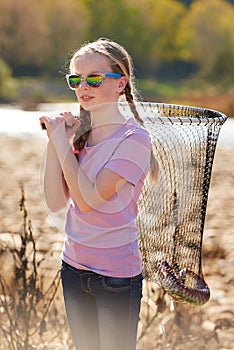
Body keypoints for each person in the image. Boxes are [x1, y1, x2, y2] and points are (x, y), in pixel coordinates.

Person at [40, 37, 158, 350]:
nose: (83, 86)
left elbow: (89, 200)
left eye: (94, 78)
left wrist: (61, 142)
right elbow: (54, 201)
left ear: (121, 84)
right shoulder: (79, 136)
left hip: (116, 277)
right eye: (76, 78)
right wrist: (58, 142)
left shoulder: (135, 139)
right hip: (73, 269)